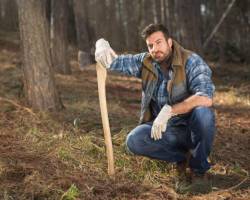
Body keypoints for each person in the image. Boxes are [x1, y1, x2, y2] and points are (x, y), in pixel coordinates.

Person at [95, 24, 216, 194]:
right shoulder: (146, 62)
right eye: (150, 45)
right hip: (164, 130)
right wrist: (101, 45)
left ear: (170, 42)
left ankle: (199, 171)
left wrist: (170, 110)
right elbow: (114, 61)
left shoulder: (191, 61)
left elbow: (206, 97)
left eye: (159, 43)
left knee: (204, 114)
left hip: (190, 127)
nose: (155, 49)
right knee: (134, 140)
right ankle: (184, 158)